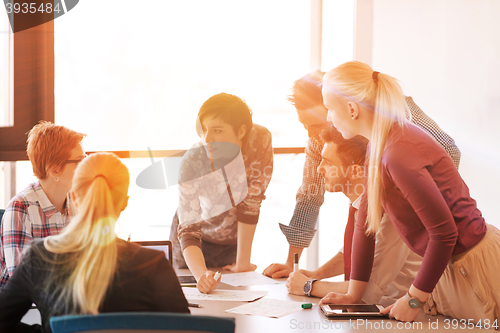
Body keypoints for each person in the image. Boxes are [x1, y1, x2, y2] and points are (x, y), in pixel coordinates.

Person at [319, 61, 500, 324]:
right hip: (448, 268)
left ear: (351, 109)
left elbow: (444, 233)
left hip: (472, 264)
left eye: (328, 109)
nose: (327, 117)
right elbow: (365, 223)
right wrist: (353, 294)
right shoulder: (378, 146)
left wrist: (414, 299)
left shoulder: (397, 152)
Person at [263, 72, 461, 279]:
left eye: (317, 125)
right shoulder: (319, 141)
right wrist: (291, 263)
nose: (313, 136)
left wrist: (412, 196)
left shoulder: (389, 115)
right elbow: (309, 196)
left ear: (344, 108)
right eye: (305, 126)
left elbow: (448, 150)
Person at [0, 152, 190, 333]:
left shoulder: (39, 258)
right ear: (124, 202)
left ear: (73, 197)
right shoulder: (152, 264)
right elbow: (186, 329)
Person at [286, 126, 422, 306]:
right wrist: (315, 274)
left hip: (400, 313)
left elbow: (366, 290)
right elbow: (352, 253)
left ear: (357, 171)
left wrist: (309, 286)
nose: (319, 169)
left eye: (328, 162)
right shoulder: (361, 204)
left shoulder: (390, 212)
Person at [170, 93, 273, 294]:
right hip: (192, 243)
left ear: (241, 131)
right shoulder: (193, 160)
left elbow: (251, 203)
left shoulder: (260, 140)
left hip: (231, 241)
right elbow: (189, 228)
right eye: (204, 129)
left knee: (232, 304)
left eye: (217, 130)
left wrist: (243, 263)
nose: (207, 138)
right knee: (194, 299)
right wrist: (201, 276)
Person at [0, 121, 86, 287]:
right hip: (25, 308)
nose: (85, 166)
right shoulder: (21, 208)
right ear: (54, 170)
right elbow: (22, 281)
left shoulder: (78, 202)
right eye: (79, 160)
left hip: (64, 299)